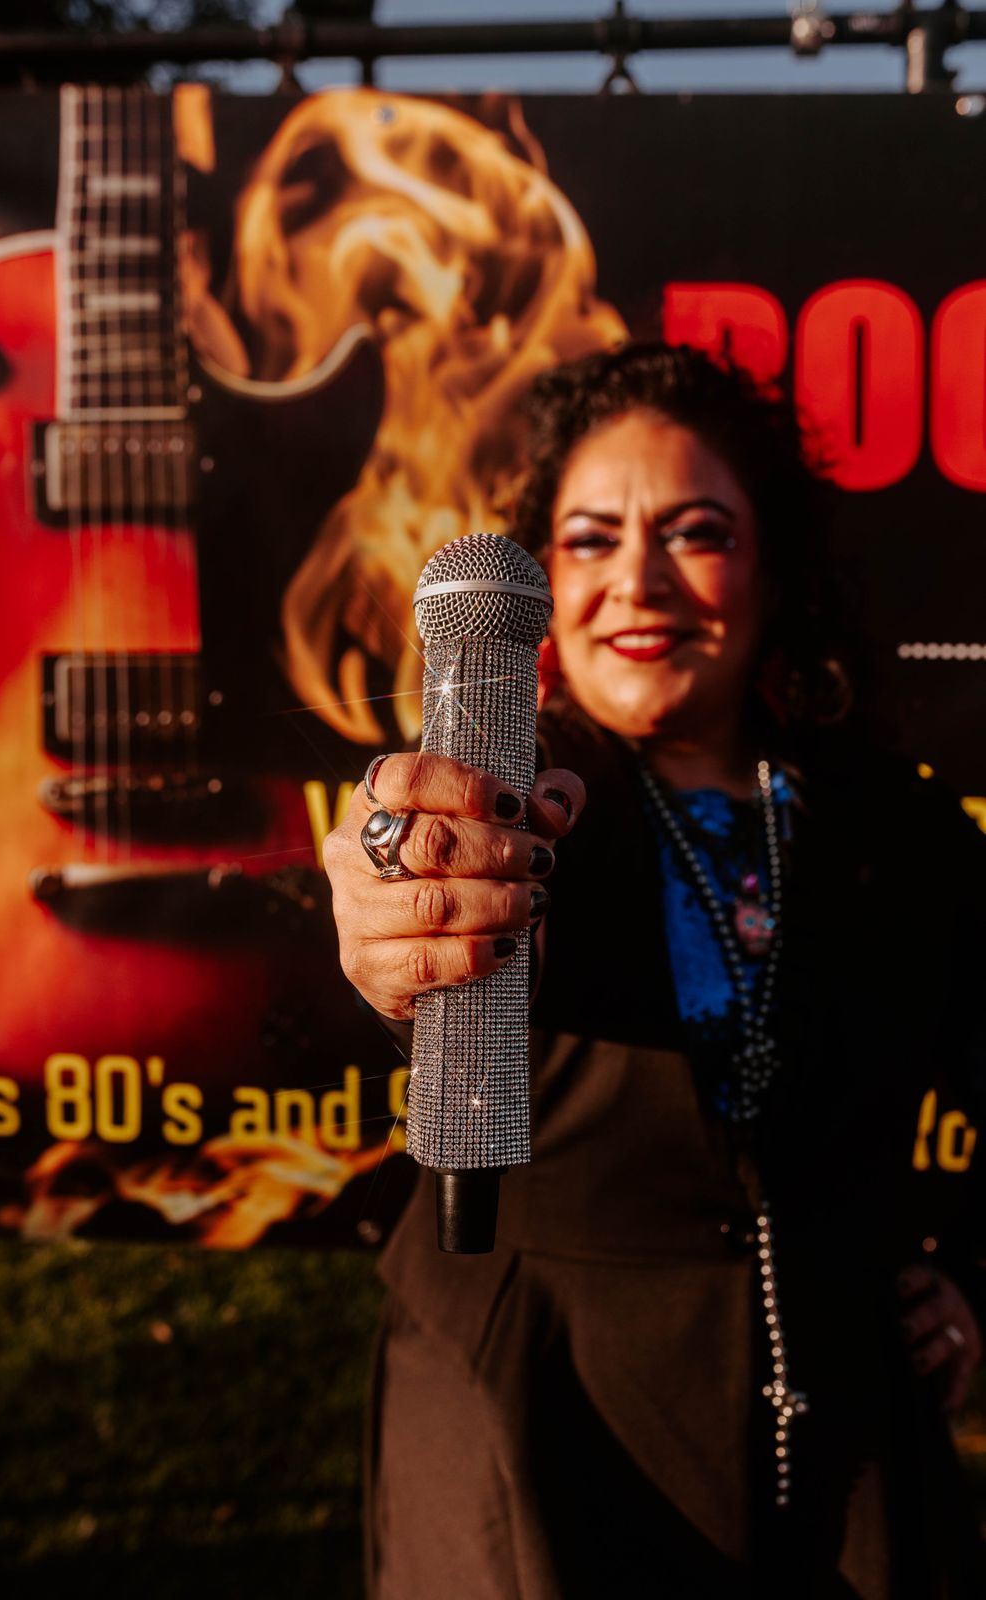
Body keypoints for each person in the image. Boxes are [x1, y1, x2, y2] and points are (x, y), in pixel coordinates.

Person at [323, 343, 986, 1598]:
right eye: (589, 539)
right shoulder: (513, 797)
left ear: (771, 569)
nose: (637, 579)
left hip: (846, 1442)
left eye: (694, 532)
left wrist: (969, 1273)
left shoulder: (892, 826)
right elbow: (403, 921)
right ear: (541, 583)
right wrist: (394, 895)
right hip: (531, 1415)